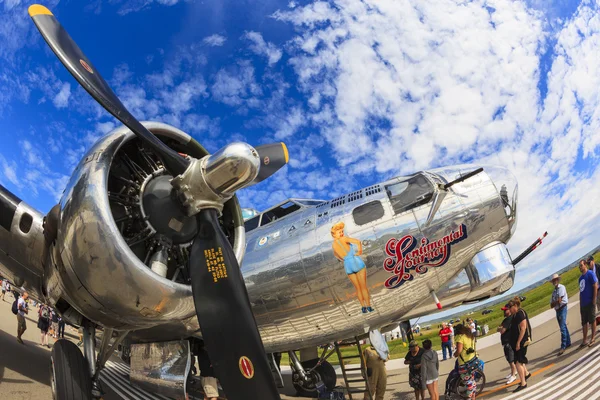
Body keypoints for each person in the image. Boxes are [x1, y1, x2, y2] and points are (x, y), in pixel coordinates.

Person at [331, 222, 373, 313]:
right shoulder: (344, 239)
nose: (341, 233)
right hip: (356, 262)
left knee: (358, 288)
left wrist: (344, 259)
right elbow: (358, 242)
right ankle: (369, 306)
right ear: (334, 234)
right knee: (363, 287)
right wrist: (359, 251)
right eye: (339, 232)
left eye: (342, 231)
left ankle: (363, 307)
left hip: (347, 265)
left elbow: (336, 255)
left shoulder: (333, 245)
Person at [508, 298, 531, 393]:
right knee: (519, 360)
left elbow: (523, 328)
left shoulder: (520, 314)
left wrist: (518, 342)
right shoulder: (516, 314)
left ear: (515, 306)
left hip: (522, 342)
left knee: (518, 362)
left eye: (510, 307)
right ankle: (526, 374)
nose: (509, 309)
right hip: (518, 341)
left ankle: (523, 383)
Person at [454, 324, 477, 399]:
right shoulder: (468, 335)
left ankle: (469, 397)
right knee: (472, 379)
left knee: (467, 381)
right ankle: (473, 397)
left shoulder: (460, 337)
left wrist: (455, 354)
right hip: (472, 359)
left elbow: (459, 350)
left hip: (464, 362)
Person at [578, 259, 598, 348]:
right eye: (579, 266)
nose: (580, 268)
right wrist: (580, 303)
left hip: (590, 302)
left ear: (585, 265)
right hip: (583, 304)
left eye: (581, 265)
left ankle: (592, 338)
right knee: (584, 323)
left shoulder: (590, 274)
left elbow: (595, 286)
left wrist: (594, 299)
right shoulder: (580, 278)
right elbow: (581, 291)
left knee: (592, 320)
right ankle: (584, 340)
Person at [550, 273, 571, 355]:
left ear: (558, 280)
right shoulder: (554, 292)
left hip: (562, 308)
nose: (555, 281)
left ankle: (563, 346)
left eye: (556, 280)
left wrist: (555, 302)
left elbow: (559, 301)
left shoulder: (561, 287)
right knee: (563, 326)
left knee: (562, 328)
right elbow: (551, 305)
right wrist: (555, 303)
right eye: (553, 280)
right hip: (557, 310)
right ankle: (568, 342)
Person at [497, 304, 517, 384]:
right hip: (506, 342)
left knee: (511, 359)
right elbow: (498, 329)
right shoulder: (506, 319)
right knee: (509, 359)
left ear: (509, 310)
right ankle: (513, 371)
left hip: (508, 342)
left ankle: (513, 375)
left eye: (505, 310)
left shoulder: (508, 319)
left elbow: (502, 330)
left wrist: (500, 328)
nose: (504, 312)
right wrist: (500, 328)